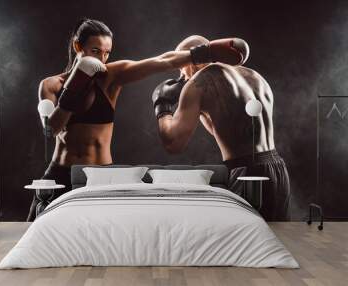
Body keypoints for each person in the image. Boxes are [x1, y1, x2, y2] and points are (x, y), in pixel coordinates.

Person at [28, 18, 249, 221]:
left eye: (107, 52)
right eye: (95, 51)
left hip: (102, 174)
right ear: (78, 46)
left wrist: (206, 52)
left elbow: (161, 61)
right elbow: (51, 129)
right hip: (61, 172)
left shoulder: (111, 76)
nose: (102, 59)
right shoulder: (50, 85)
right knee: (37, 229)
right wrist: (77, 81)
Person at [151, 35, 291, 221]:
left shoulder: (199, 83)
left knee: (243, 243)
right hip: (278, 168)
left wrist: (163, 105)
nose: (182, 76)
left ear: (190, 60)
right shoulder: (253, 76)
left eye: (181, 67)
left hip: (246, 172)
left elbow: (173, 143)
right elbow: (228, 130)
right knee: (279, 237)